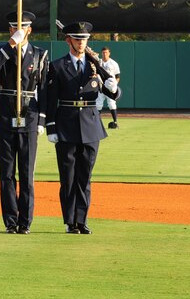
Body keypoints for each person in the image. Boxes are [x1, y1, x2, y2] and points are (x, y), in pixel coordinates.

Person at [46, 22, 120, 235]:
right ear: (68, 40)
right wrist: (51, 126)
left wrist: (112, 86)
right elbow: (51, 99)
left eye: (84, 39)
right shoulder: (57, 66)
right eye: (77, 39)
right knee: (68, 177)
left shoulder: (95, 66)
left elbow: (113, 94)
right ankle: (70, 221)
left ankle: (82, 219)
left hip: (90, 124)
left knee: (85, 177)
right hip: (66, 124)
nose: (80, 43)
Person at [0, 11, 49, 234]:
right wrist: (10, 44)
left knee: (26, 172)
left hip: (29, 114)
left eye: (22, 27)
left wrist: (42, 119)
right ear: (9, 30)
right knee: (6, 173)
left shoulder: (39, 54)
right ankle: (10, 221)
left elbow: (43, 89)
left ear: (30, 29)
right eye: (14, 27)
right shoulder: (1, 51)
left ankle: (25, 221)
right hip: (5, 112)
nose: (19, 30)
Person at [95, 47, 121, 129]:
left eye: (106, 52)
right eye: (103, 52)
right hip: (101, 86)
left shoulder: (113, 63)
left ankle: (115, 121)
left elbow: (118, 76)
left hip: (110, 88)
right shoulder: (98, 62)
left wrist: (115, 85)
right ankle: (97, 123)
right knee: (98, 104)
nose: (104, 54)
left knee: (112, 104)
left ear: (109, 53)